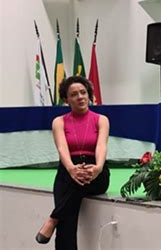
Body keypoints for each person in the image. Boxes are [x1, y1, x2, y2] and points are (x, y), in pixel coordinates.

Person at [35, 76, 110, 250]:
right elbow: (62, 149)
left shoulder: (101, 119)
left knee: (79, 184)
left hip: (96, 171)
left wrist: (98, 168)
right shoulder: (59, 122)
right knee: (66, 224)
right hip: (68, 170)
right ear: (66, 99)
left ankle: (53, 218)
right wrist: (71, 169)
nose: (80, 97)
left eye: (83, 92)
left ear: (89, 95)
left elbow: (101, 146)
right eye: (74, 94)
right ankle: (58, 220)